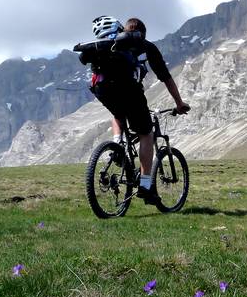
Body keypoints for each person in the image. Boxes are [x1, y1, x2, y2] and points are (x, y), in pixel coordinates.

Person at [75, 16, 190, 204]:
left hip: (101, 88)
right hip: (129, 89)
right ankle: (145, 185)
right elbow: (166, 78)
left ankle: (117, 145)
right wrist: (179, 103)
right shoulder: (146, 46)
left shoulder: (108, 46)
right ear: (141, 34)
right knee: (146, 133)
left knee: (118, 112)